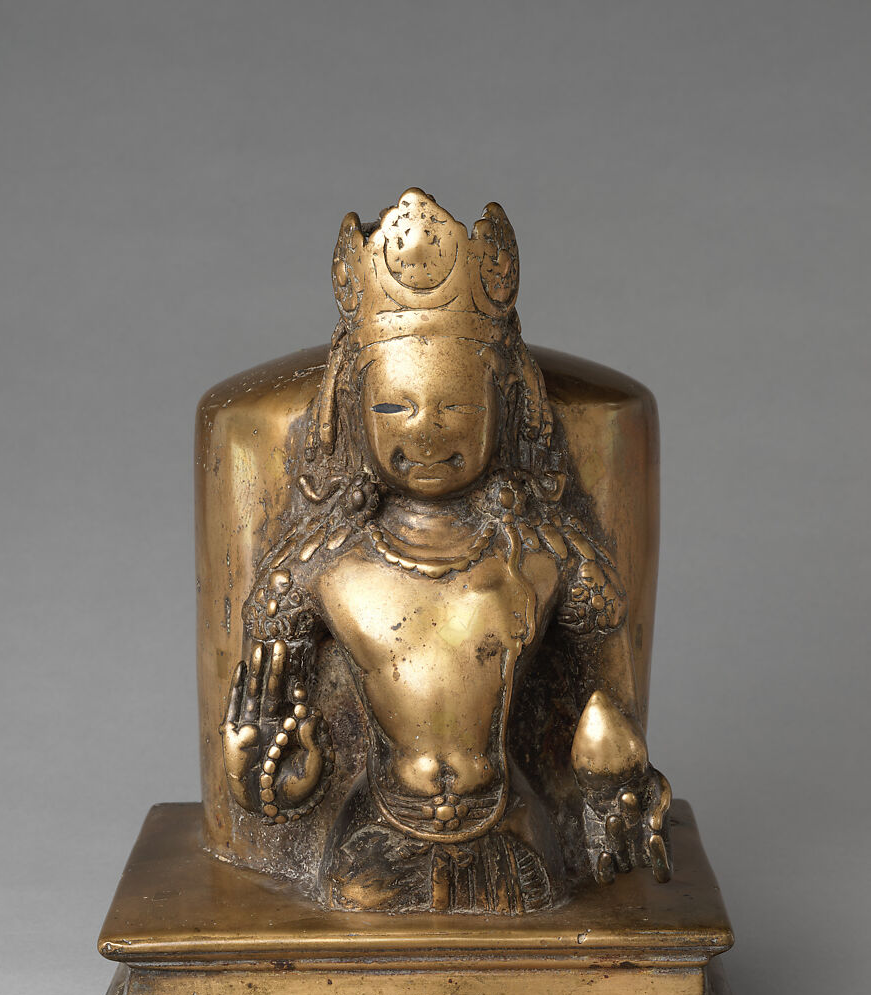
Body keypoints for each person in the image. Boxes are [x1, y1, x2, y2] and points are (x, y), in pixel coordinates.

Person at [220, 190, 670, 913]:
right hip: (379, 833)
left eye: (456, 407)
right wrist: (265, 774)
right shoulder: (322, 570)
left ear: (505, 405)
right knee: (361, 897)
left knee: (529, 898)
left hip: (509, 827)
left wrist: (612, 772)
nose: (426, 431)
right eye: (394, 407)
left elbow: (608, 695)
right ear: (352, 409)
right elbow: (277, 754)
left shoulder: (541, 559)